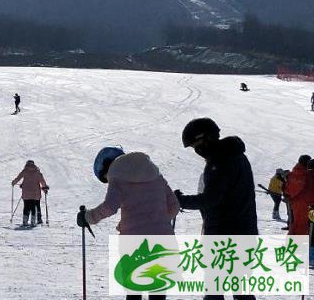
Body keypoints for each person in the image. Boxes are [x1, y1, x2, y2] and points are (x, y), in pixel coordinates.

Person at [77, 148, 178, 300]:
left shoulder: (117, 176)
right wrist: (158, 221)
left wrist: (88, 217)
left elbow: (110, 207)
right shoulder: (155, 174)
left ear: (107, 168)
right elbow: (174, 206)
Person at [174, 118, 257, 300]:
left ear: (207, 139)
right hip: (245, 231)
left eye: (196, 145)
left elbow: (210, 199)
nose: (197, 151)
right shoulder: (237, 156)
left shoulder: (219, 162)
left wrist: (179, 200)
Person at [11, 160, 49, 226]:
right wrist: (45, 187)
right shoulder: (37, 172)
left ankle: (25, 221)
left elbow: (18, 178)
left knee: (26, 206)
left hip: (26, 193)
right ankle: (33, 221)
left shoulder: (24, 171)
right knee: (33, 207)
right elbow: (42, 181)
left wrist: (14, 182)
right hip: (35, 193)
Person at [285, 155, 314, 235]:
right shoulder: (303, 174)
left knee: (299, 225)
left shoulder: (297, 173)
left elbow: (289, 191)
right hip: (304, 204)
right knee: (301, 227)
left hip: (300, 204)